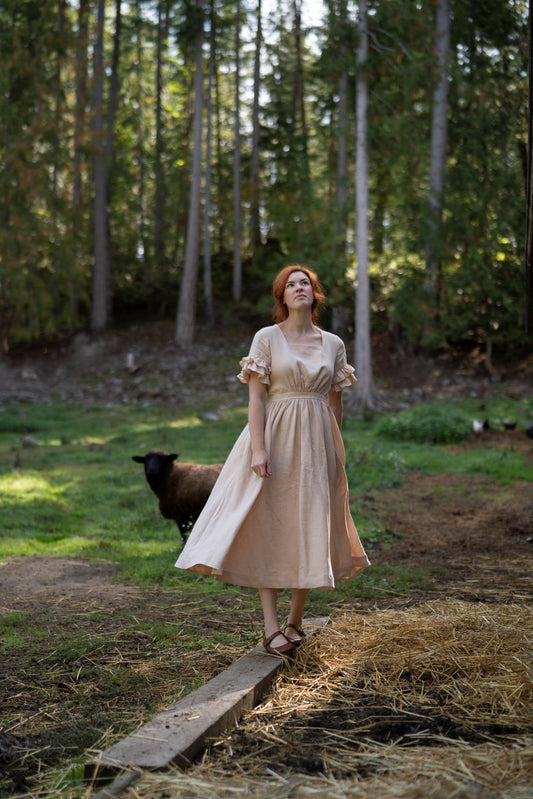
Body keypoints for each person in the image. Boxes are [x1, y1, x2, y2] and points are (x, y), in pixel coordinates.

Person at [175, 265, 370, 655]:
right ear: (282, 296)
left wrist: (334, 448)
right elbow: (256, 399)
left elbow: (335, 402)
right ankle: (270, 628)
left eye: (306, 284)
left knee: (309, 525)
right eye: (292, 285)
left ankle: (296, 621)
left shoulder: (332, 344)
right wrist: (259, 449)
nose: (300, 289)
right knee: (270, 523)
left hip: (318, 445)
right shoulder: (266, 338)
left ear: (316, 294)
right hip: (274, 438)